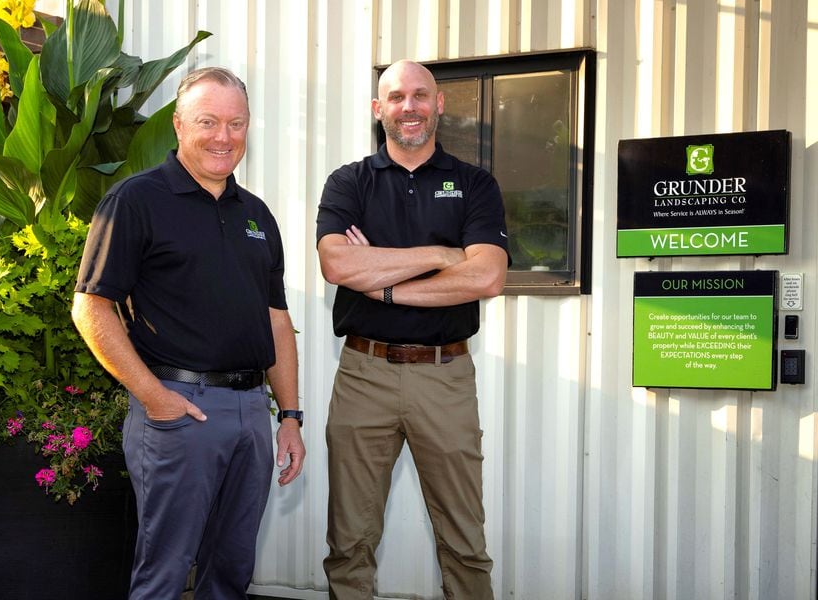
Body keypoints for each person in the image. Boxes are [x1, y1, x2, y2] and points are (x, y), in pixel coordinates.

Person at [72, 66, 305, 600]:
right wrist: (155, 398)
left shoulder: (257, 216)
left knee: (232, 568)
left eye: (236, 123)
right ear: (178, 125)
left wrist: (289, 417)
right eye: (208, 122)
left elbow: (276, 320)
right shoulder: (136, 201)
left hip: (251, 411)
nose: (223, 137)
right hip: (180, 410)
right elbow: (91, 308)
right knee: (165, 571)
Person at [316, 59, 510, 600]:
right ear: (379, 109)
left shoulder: (474, 184)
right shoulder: (348, 182)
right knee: (349, 540)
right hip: (362, 373)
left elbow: (488, 275)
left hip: (444, 376)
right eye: (396, 97)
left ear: (439, 104)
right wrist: (442, 255)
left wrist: (383, 282)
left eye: (420, 95)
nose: (410, 106)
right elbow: (337, 266)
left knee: (464, 541)